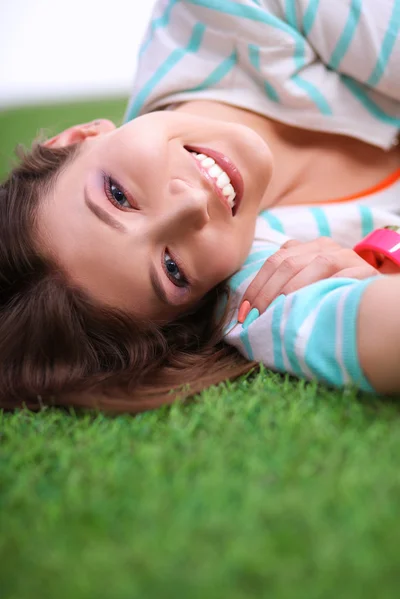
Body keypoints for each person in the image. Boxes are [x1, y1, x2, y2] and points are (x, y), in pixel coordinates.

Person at [2, 0, 400, 414]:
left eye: (118, 196)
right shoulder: (255, 284)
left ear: (77, 137)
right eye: (172, 268)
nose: (192, 204)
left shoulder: (226, 12)